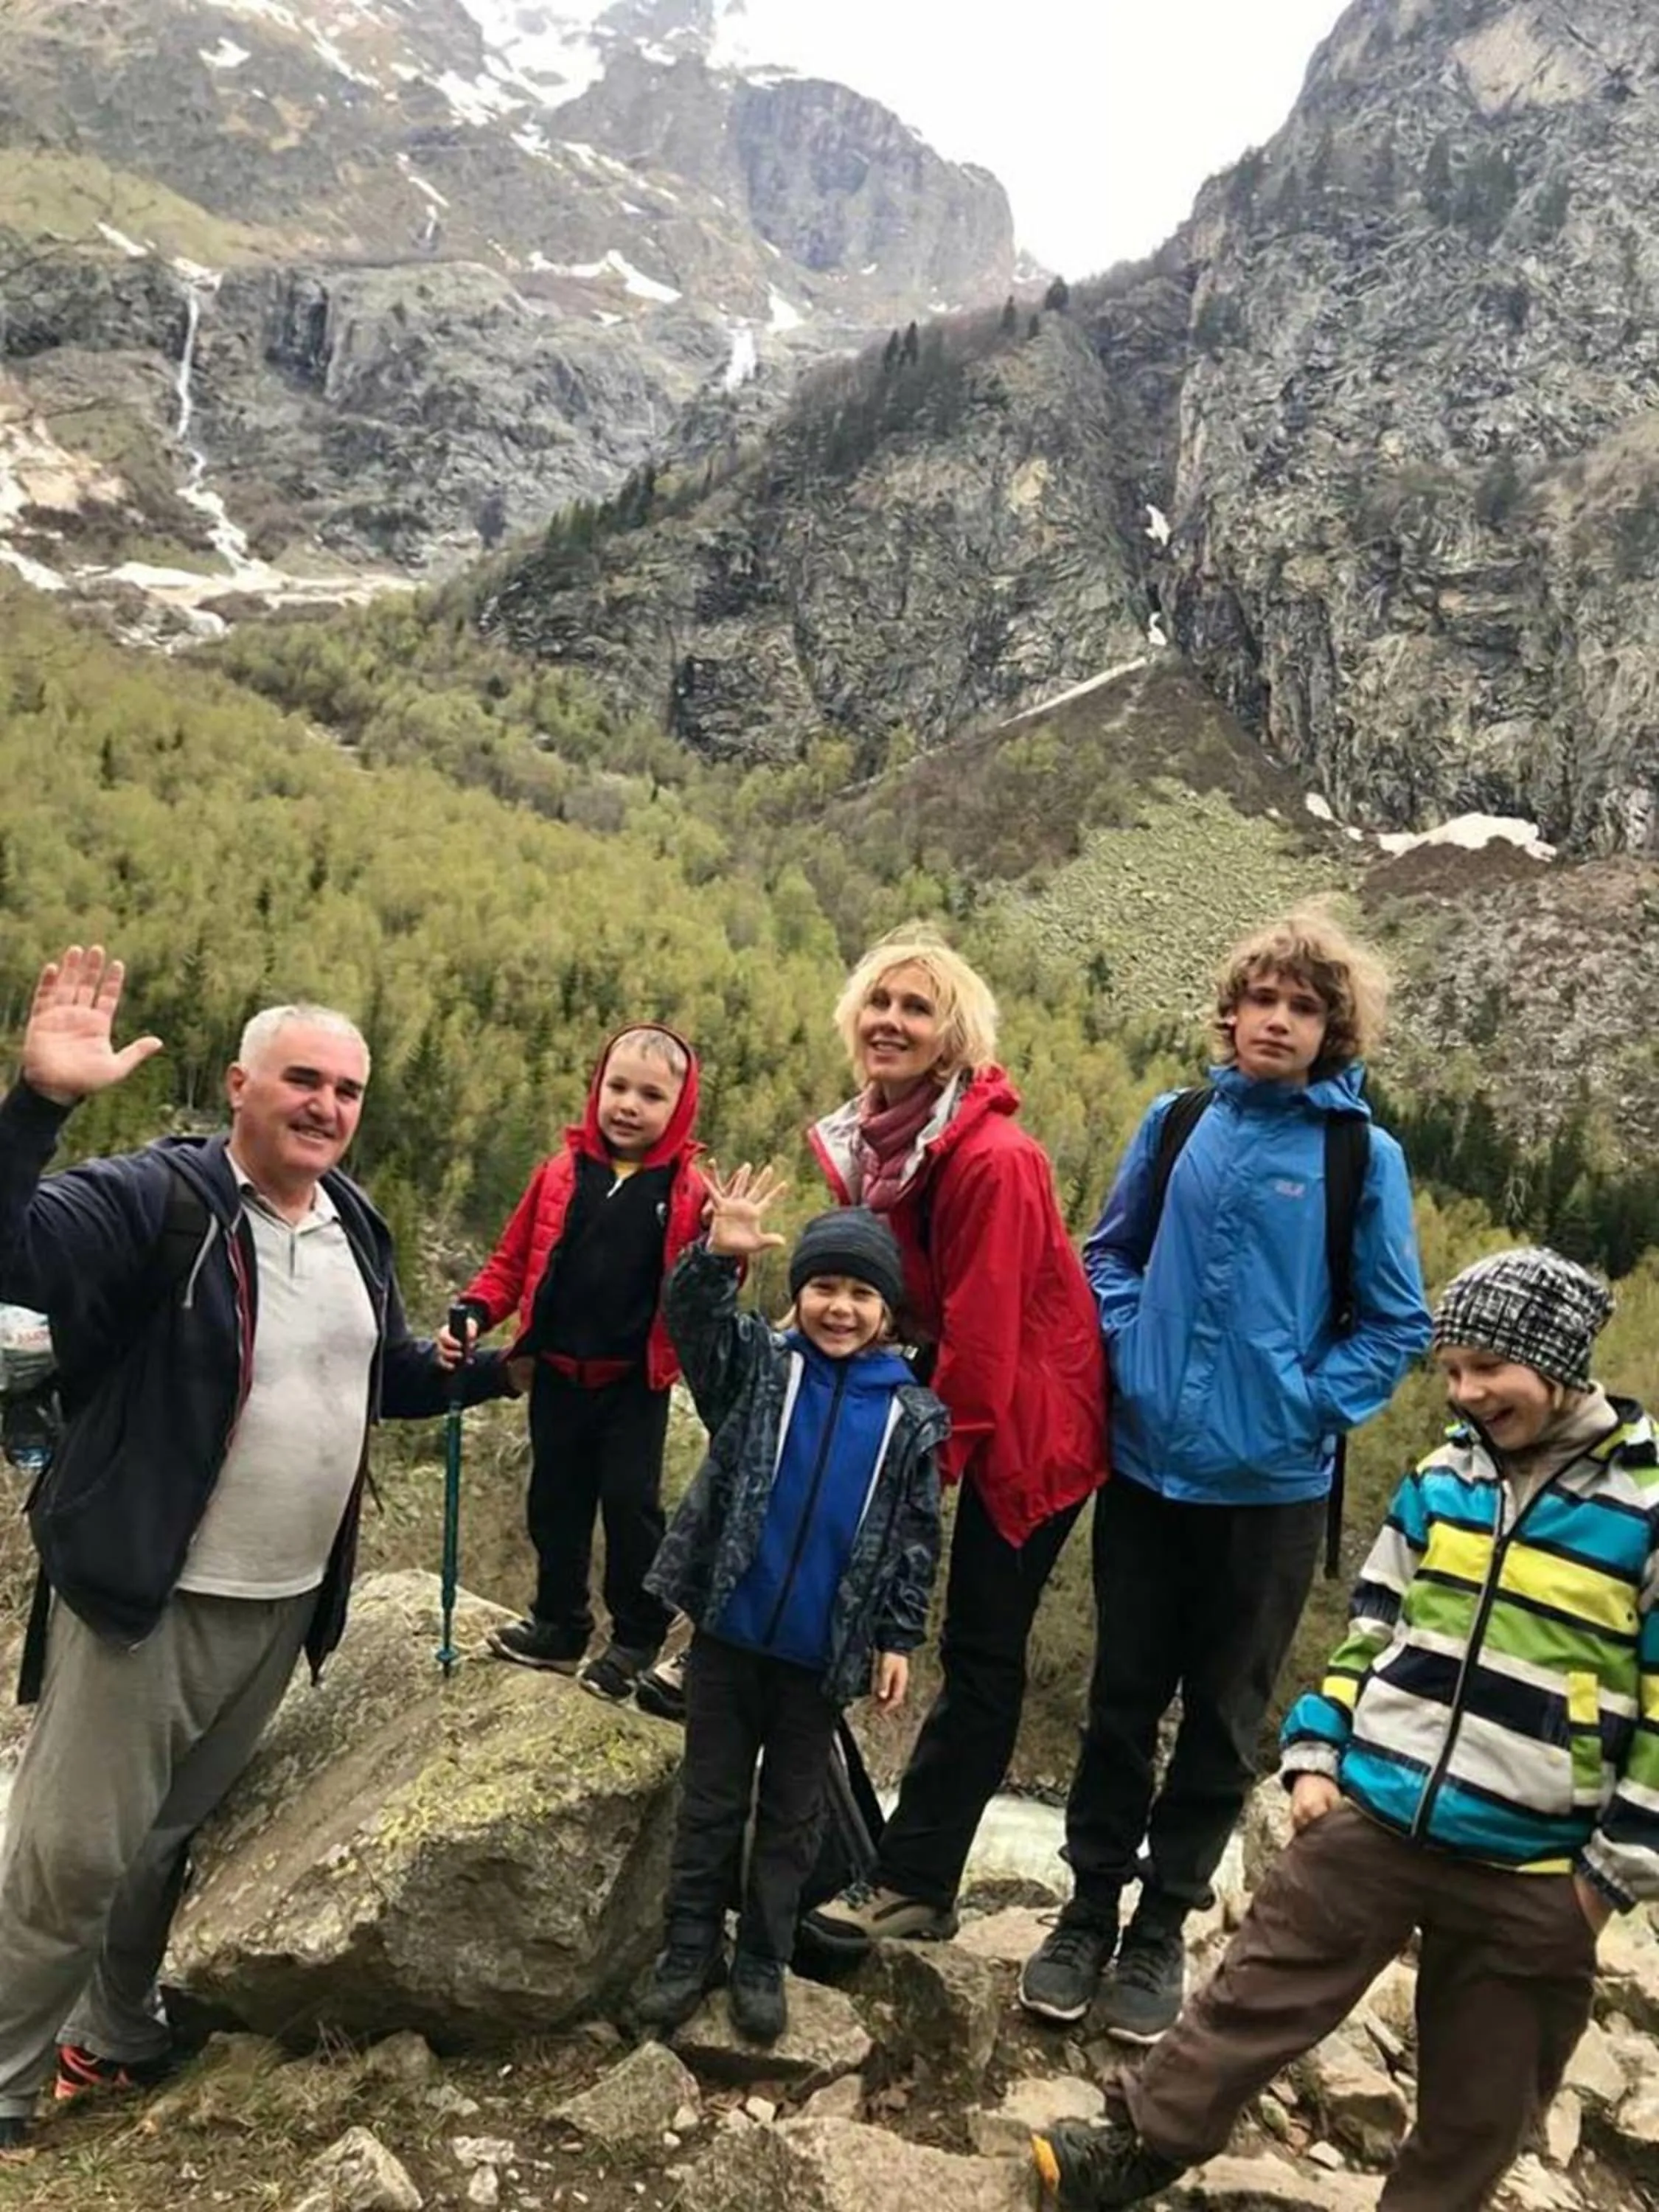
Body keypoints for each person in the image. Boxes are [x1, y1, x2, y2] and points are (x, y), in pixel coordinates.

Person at [0, 943, 511, 2151]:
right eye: (303, 1080)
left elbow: (375, 1378)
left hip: (283, 1605)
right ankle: (7, 2082)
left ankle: (114, 2037)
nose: (327, 1106)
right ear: (241, 1084)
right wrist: (38, 1105)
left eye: (346, 1089)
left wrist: (495, 1375)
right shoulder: (152, 1201)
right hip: (148, 1596)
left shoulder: (355, 1224)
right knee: (72, 1856)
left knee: (164, 1841)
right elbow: (13, 1259)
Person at [1034, 1245, 1647, 2211]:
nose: (1464, 1393)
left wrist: (1604, 1879)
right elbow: (1374, 1626)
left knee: (1482, 2096)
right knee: (1254, 1990)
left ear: (1558, 1357)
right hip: (1377, 1807)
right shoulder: (1443, 1480)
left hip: (1536, 1865)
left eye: (1487, 1367)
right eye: (1450, 1371)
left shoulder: (1642, 1508)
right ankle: (1138, 2148)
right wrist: (1318, 1752)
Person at [1019, 911, 1430, 2041]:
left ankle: (1159, 1933)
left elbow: (1395, 1324)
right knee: (1118, 1700)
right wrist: (1131, 1348)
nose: (1278, 1021)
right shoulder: (1180, 1119)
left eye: (1304, 1008)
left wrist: (1297, 1405)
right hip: (1147, 1471)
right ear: (1232, 1010)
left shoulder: (1358, 1157)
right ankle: (1084, 1913)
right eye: (1263, 1000)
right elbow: (1108, 1252)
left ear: (1330, 1031)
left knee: (1221, 1719)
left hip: (1270, 1492)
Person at [803, 931, 1107, 1948]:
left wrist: (915, 1478)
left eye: (915, 1009)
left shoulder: (991, 1159)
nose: (890, 1020)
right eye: (877, 1001)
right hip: (954, 1399)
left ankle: (918, 1883)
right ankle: (846, 1841)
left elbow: (981, 1340)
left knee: (980, 1647)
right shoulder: (883, 1147)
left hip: (1030, 1428)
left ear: (951, 1039)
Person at [637, 1170, 945, 2043]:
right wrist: (712, 1261)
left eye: (859, 1293)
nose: (839, 1308)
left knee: (791, 1816)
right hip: (729, 1638)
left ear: (888, 1311)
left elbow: (916, 1538)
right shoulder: (763, 1371)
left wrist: (896, 1637)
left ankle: (763, 1960)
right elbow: (694, 1328)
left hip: (821, 1657)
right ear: (797, 1292)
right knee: (710, 1802)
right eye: (822, 1287)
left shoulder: (913, 1417)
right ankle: (687, 1948)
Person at [446, 1025, 707, 1702]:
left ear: (679, 1109)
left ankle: (635, 1637)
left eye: (651, 1095)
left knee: (630, 1509)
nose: (628, 1105)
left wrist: (726, 1247)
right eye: (617, 1087)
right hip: (557, 1374)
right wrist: (477, 1311)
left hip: (633, 1385)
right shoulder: (561, 1174)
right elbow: (511, 1262)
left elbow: (705, 1290)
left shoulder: (685, 1192)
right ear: (597, 1088)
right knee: (555, 1504)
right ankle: (559, 1626)